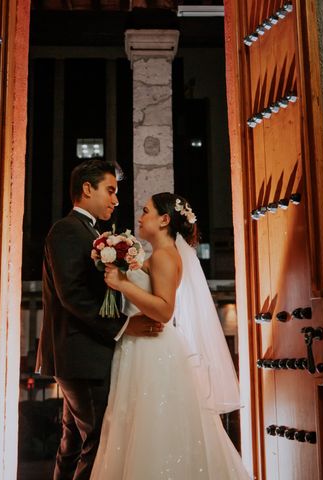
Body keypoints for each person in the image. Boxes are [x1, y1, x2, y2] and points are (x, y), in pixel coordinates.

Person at [91, 192, 250, 480]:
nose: (140, 216)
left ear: (164, 220)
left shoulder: (165, 256)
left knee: (151, 429)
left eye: (146, 211)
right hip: (142, 347)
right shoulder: (157, 255)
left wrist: (122, 284)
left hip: (152, 350)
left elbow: (164, 310)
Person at [36, 159, 164, 480]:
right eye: (110, 190)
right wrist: (123, 324)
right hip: (81, 357)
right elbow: (74, 295)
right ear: (87, 188)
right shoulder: (67, 230)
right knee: (99, 440)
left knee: (73, 444)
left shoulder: (91, 232)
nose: (116, 200)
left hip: (82, 357)